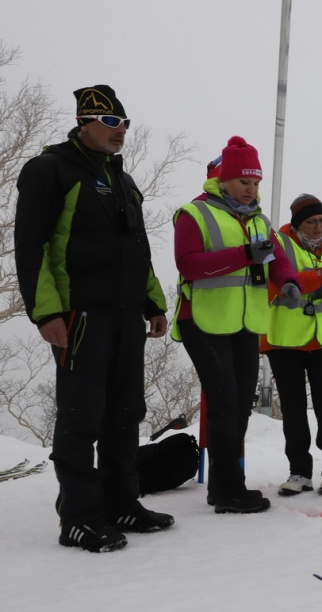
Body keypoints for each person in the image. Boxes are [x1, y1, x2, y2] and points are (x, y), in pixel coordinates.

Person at [14, 84, 174, 552]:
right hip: (79, 314)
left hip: (126, 315)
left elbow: (136, 247)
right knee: (83, 417)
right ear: (85, 121)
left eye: (124, 124)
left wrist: (153, 303)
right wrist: (45, 313)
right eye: (110, 123)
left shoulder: (121, 178)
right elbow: (32, 246)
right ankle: (80, 516)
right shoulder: (50, 169)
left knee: (126, 414)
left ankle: (122, 501)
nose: (120, 131)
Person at [172, 136, 301, 514]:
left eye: (257, 182)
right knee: (225, 402)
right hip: (204, 320)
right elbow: (189, 264)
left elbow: (277, 259)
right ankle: (228, 491)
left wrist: (290, 281)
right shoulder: (193, 213)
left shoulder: (259, 219)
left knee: (239, 404)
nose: (251, 189)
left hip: (246, 322)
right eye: (245, 182)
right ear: (224, 180)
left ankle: (226, 487)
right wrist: (244, 255)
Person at [261, 194, 322, 497]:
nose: (318, 227)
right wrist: (319, 276)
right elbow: (271, 285)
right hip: (285, 338)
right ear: (297, 223)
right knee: (293, 408)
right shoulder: (278, 245)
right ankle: (299, 472)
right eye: (311, 222)